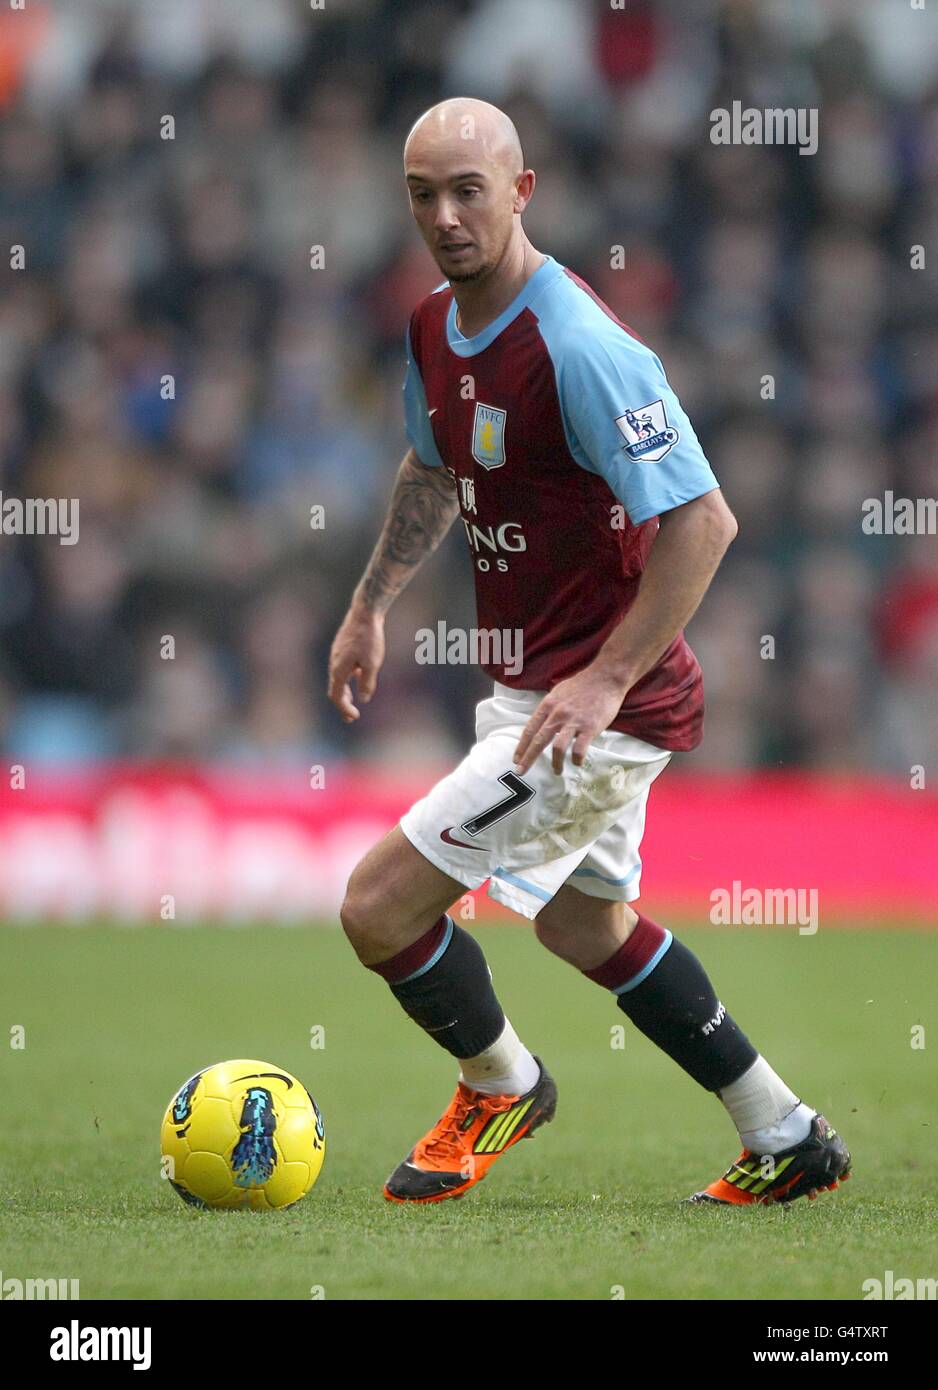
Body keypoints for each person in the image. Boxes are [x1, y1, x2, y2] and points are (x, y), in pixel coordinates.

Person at [328, 97, 850, 1207]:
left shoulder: (579, 345)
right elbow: (432, 469)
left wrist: (605, 676)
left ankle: (501, 1080)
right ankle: (783, 1129)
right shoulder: (432, 325)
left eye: (468, 189)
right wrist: (370, 601)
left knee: (376, 906)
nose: (445, 214)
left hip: (594, 709)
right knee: (581, 922)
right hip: (543, 690)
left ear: (521, 192)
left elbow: (704, 521)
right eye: (422, 194)